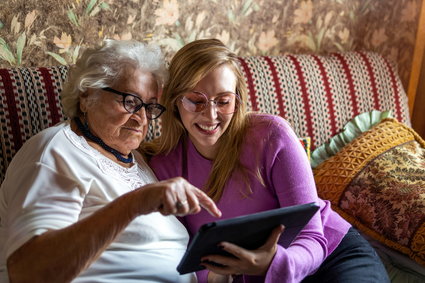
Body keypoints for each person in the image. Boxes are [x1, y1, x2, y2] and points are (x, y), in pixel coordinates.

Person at [144, 39, 390, 283]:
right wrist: (214, 276)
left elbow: (312, 234)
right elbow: (179, 251)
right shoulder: (164, 166)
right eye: (196, 101)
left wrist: (275, 264)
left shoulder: (271, 135)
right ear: (175, 100)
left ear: (237, 100)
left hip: (330, 255)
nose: (210, 115)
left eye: (223, 101)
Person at [0, 39, 221, 283]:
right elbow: (28, 273)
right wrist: (135, 203)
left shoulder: (139, 161)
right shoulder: (56, 152)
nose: (141, 119)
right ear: (87, 95)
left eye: (149, 107)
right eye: (130, 102)